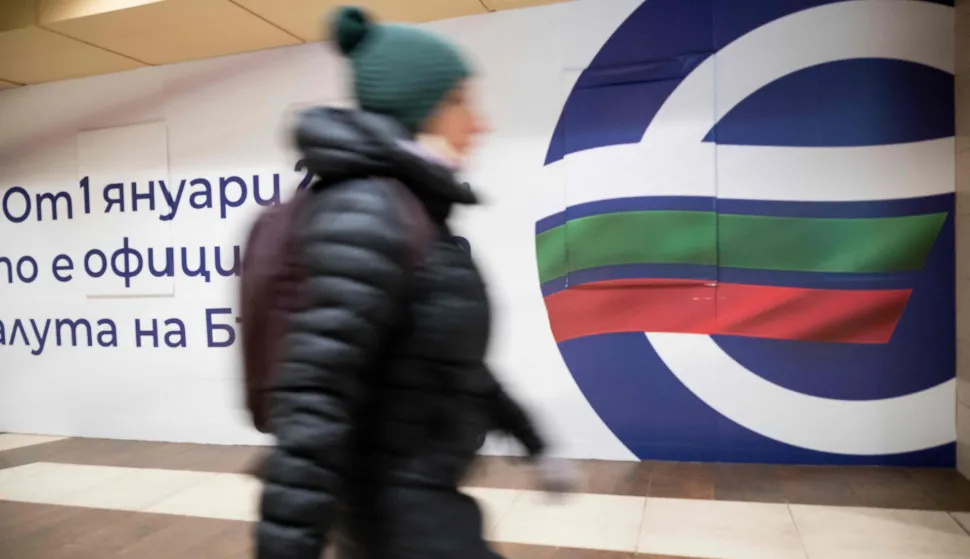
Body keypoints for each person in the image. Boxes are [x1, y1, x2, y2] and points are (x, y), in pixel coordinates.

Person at [255, 6, 576, 559]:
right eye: (458, 100)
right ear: (416, 108)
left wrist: (531, 439)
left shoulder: (413, 210)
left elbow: (445, 361)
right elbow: (314, 401)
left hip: (418, 504)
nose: (479, 121)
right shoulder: (369, 213)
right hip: (400, 516)